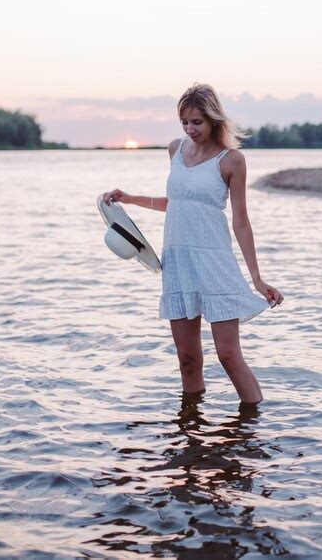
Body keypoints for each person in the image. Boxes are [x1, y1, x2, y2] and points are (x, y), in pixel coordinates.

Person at [103, 83, 284, 404]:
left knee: (228, 356)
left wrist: (256, 278)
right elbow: (178, 201)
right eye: (184, 122)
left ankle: (255, 425)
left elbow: (241, 221)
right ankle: (191, 434)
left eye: (197, 122)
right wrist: (129, 199)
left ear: (214, 119)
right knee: (187, 359)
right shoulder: (175, 149)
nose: (190, 129)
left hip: (214, 264)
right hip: (178, 263)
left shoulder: (232, 160)